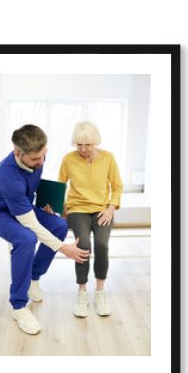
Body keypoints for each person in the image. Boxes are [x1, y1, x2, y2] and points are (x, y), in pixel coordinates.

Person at [0, 124, 90, 335]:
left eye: (43, 156)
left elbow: (32, 186)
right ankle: (18, 306)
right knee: (26, 238)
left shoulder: (36, 156)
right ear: (17, 153)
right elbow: (30, 223)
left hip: (23, 206)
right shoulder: (7, 174)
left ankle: (32, 277)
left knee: (59, 224)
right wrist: (63, 248)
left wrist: (48, 203)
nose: (40, 163)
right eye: (34, 160)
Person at [58, 121, 123, 318]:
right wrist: (62, 210)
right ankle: (82, 293)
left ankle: (100, 293)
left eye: (87, 144)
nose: (83, 149)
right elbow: (60, 186)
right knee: (83, 245)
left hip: (102, 209)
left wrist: (111, 209)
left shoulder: (108, 158)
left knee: (102, 245)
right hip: (77, 208)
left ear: (95, 141)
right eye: (79, 144)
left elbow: (117, 187)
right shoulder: (68, 159)